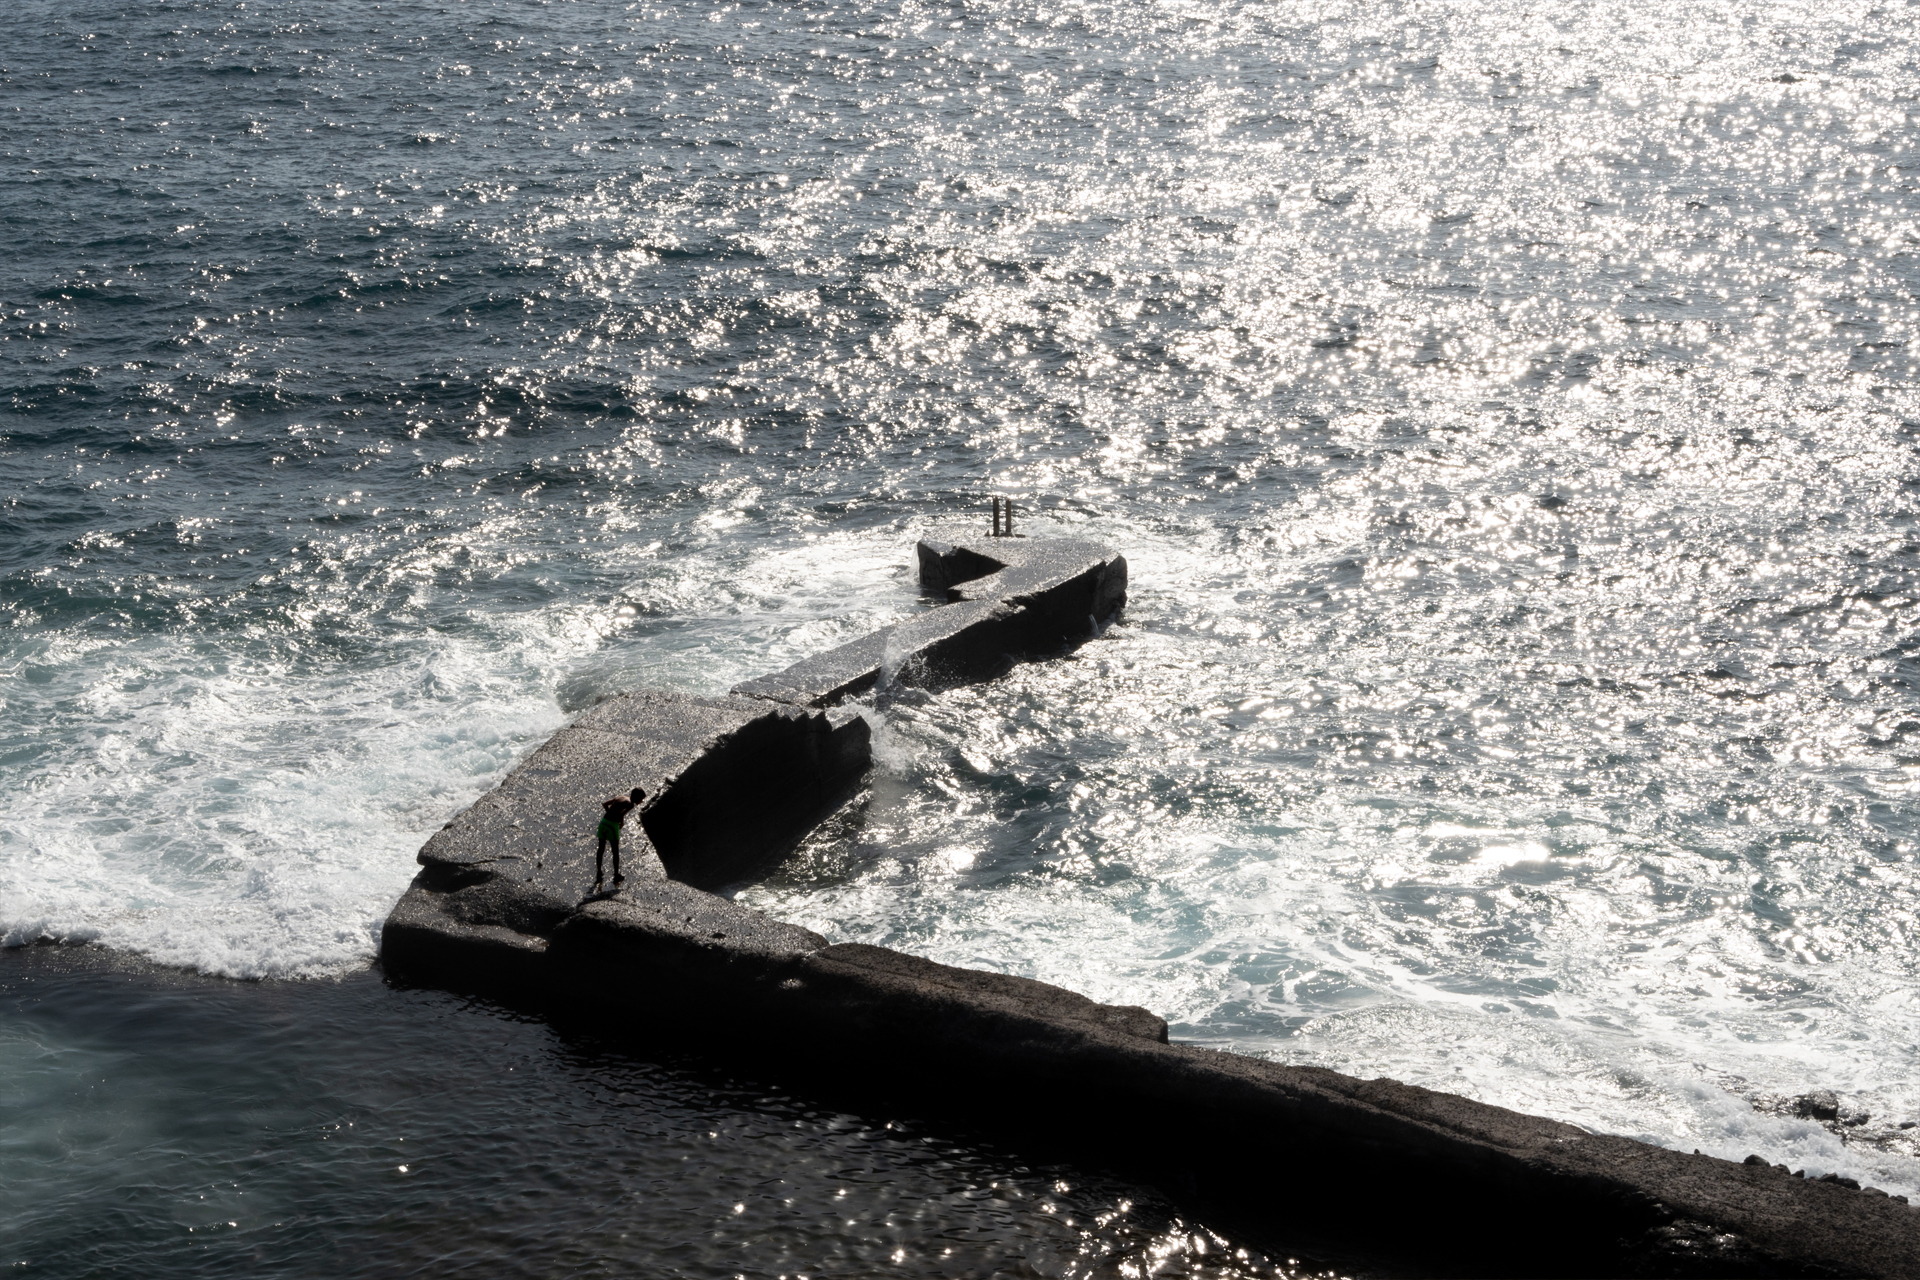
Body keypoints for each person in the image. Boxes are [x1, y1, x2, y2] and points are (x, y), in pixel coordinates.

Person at [594, 787, 646, 891]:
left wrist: (609, 814)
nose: (641, 801)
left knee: (601, 848)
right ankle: (616, 875)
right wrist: (621, 822)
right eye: (641, 799)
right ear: (637, 798)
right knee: (615, 851)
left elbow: (605, 804)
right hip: (612, 825)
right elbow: (621, 814)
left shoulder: (620, 797)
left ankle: (599, 872)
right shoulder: (630, 804)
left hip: (603, 822)